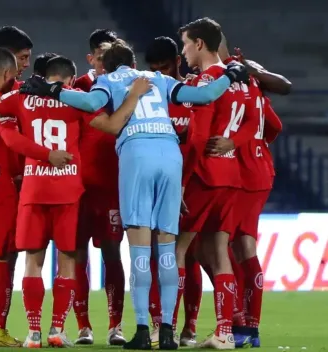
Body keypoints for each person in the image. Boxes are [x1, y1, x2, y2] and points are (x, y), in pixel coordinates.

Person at [20, 39, 249, 350]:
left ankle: (143, 329)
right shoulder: (161, 79)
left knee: (140, 249)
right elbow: (206, 94)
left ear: (108, 65)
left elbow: (89, 105)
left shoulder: (107, 81)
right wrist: (231, 74)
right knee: (167, 249)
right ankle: (167, 330)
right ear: (133, 61)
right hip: (170, 156)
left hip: (137, 154)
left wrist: (53, 90)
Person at [0, 55, 139, 348]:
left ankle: (33, 333)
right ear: (68, 80)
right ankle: (56, 329)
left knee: (32, 262)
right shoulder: (77, 99)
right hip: (67, 190)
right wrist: (134, 96)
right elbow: (113, 125)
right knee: (67, 261)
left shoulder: (21, 96)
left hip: (33, 189)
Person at [176, 18, 259, 349]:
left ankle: (167, 327)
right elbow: (256, 121)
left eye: (184, 44)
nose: (182, 51)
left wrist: (181, 182)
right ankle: (226, 332)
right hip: (231, 177)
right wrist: (234, 143)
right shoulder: (242, 78)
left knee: (177, 249)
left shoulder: (209, 81)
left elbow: (197, 139)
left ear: (198, 44)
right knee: (219, 252)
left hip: (204, 175)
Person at [205, 37, 286, 348]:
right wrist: (257, 148)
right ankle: (247, 327)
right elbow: (274, 126)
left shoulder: (223, 79)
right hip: (259, 169)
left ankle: (240, 323)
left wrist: (240, 145)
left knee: (229, 247)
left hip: (240, 172)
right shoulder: (250, 80)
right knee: (237, 247)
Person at [144, 36, 202, 348]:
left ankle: (189, 327)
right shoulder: (147, 95)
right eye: (154, 69)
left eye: (165, 67)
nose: (160, 75)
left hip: (192, 183)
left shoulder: (192, 91)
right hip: (157, 182)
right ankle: (160, 323)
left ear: (177, 62)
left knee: (190, 255)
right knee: (157, 254)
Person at [73, 29, 126, 346]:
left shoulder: (128, 86)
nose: (108, 61)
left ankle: (115, 325)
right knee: (77, 255)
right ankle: (83, 326)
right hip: (79, 186)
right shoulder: (77, 87)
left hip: (111, 185)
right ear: (91, 58)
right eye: (103, 55)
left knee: (112, 254)